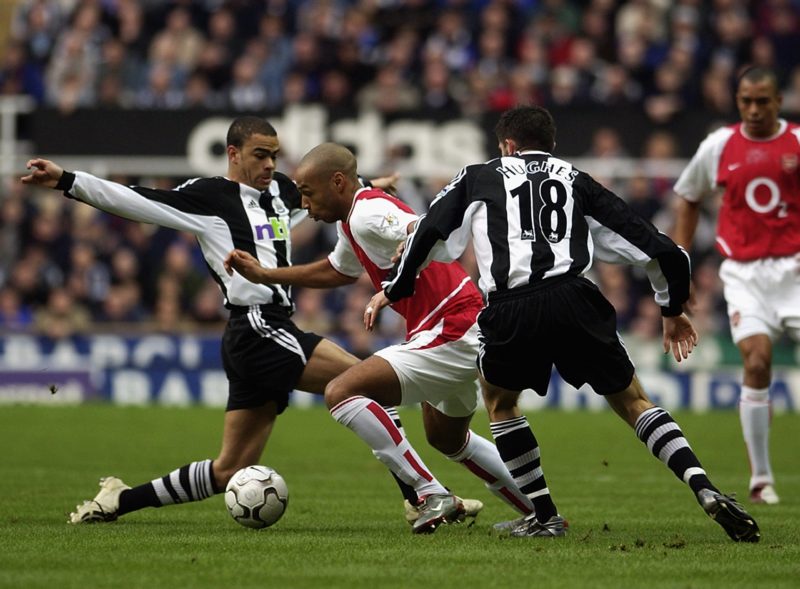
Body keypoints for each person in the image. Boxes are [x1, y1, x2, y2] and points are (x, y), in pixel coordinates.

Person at [20, 116, 481, 526]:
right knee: (363, 383)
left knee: (228, 469)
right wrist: (67, 180)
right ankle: (423, 496)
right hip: (258, 326)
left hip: (258, 337)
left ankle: (120, 499)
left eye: (275, 156)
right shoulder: (208, 198)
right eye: (260, 155)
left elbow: (323, 199)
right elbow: (133, 199)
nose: (269, 165)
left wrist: (370, 186)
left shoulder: (280, 191)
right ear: (233, 153)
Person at [382, 105, 761, 542]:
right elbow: (665, 251)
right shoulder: (577, 179)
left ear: (506, 145)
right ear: (552, 145)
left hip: (511, 305)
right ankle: (704, 486)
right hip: (575, 298)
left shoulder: (478, 176)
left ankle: (544, 516)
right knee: (634, 400)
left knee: (501, 403)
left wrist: (396, 285)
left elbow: (429, 231)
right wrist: (670, 308)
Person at [225, 142, 541, 534]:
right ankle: (540, 513)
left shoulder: (368, 213)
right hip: (452, 323)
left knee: (342, 391)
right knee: (445, 437)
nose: (304, 205)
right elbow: (338, 271)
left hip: (452, 323)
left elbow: (421, 227)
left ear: (337, 182)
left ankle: (429, 492)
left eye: (307, 193)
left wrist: (400, 265)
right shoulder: (351, 220)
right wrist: (267, 275)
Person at [673, 66, 799, 506]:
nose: (753, 109)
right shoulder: (720, 144)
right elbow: (689, 196)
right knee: (758, 361)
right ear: (737, 100)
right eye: (746, 100)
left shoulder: (797, 143)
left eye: (762, 101)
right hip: (744, 272)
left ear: (778, 102)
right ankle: (761, 478)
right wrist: (681, 260)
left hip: (795, 269)